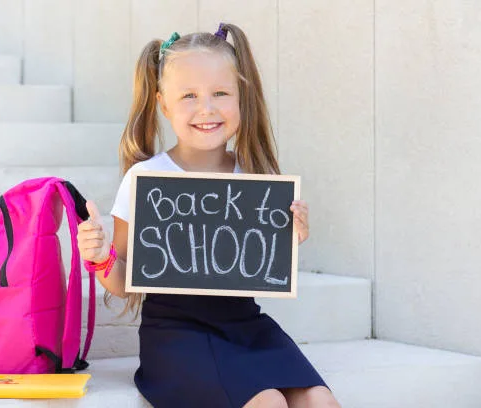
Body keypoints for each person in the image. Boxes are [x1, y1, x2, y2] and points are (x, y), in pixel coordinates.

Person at [78, 23, 340, 408]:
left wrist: (289, 240)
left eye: (221, 93)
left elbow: (257, 266)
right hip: (176, 335)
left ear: (241, 98)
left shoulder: (253, 178)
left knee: (319, 400)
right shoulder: (147, 179)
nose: (207, 108)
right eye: (188, 96)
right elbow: (125, 282)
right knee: (268, 402)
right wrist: (100, 258)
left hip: (245, 326)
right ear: (163, 104)